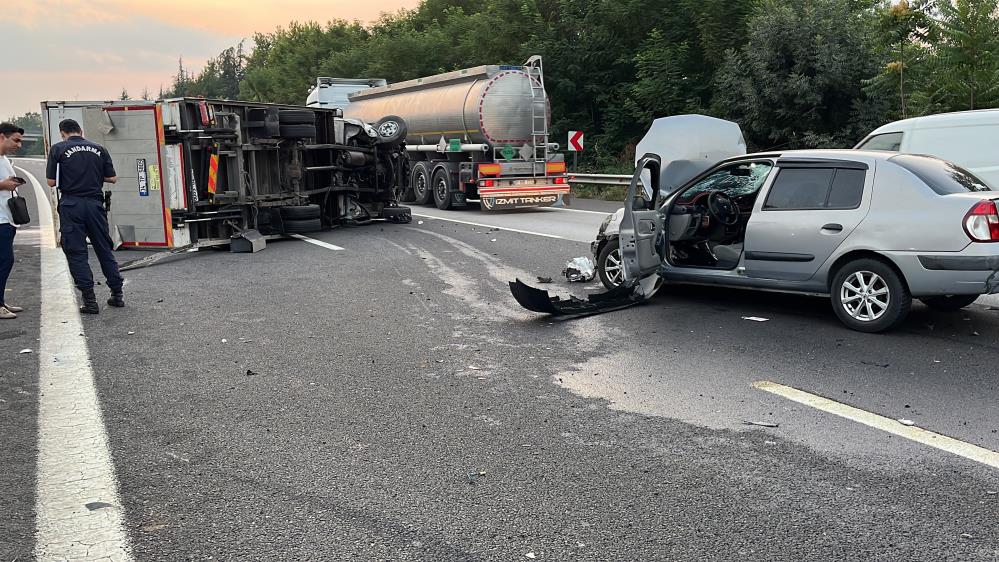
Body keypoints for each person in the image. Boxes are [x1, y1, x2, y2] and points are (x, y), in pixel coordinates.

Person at [46, 119, 125, 314]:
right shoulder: (99, 149)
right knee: (104, 249)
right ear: (81, 131)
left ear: (62, 133)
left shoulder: (58, 149)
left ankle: (90, 301)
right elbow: (112, 178)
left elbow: (50, 181)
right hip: (95, 204)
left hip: (71, 204)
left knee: (76, 252)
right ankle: (117, 294)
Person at [0, 122, 25, 320]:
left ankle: (1, 300)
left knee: (5, 261)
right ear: (2, 137)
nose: (19, 145)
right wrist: (3, 185)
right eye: (15, 140)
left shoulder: (5, 159)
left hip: (7, 218)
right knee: (4, 260)